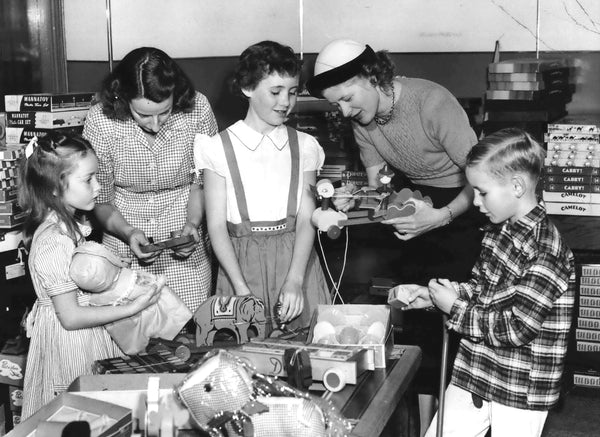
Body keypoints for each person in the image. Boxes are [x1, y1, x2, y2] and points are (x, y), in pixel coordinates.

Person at [307, 38, 485, 429]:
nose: (344, 110)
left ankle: (461, 421)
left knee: (456, 323)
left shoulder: (432, 102)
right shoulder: (362, 123)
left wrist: (440, 217)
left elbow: (481, 179)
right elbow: (380, 183)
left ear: (373, 76)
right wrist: (358, 196)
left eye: (349, 98)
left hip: (464, 204)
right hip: (416, 205)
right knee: (417, 323)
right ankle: (425, 425)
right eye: (335, 103)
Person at [397, 128, 575, 437]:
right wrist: (434, 296)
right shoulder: (497, 231)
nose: (475, 202)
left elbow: (517, 328)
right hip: (476, 369)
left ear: (516, 186)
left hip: (520, 388)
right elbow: (480, 287)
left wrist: (455, 309)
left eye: (482, 192)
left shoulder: (546, 251)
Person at [19, 132, 161, 418]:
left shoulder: (68, 228)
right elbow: (70, 317)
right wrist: (131, 307)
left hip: (84, 341)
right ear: (55, 187)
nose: (98, 187)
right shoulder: (54, 241)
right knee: (78, 416)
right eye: (88, 179)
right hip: (69, 347)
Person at [194, 41, 331, 333]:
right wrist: (241, 289)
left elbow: (307, 217)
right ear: (247, 88)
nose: (286, 102)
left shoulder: (305, 146)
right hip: (240, 267)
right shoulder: (217, 148)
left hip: (297, 261)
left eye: (292, 92)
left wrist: (295, 280)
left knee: (306, 355)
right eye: (275, 91)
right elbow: (216, 226)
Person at [83, 47, 218, 313]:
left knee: (192, 332)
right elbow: (101, 200)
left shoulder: (198, 108)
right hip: (123, 239)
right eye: (143, 115)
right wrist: (129, 232)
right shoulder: (100, 120)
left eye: (164, 112)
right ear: (122, 98)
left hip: (185, 236)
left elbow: (200, 182)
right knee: (130, 338)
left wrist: (192, 224)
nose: (155, 125)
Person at [69, 241, 192, 354]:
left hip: (126, 326)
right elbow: (149, 285)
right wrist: (159, 281)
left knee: (138, 336)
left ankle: (151, 347)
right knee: (160, 317)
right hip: (148, 313)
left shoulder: (97, 300)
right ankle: (171, 339)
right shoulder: (128, 281)